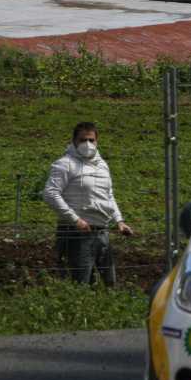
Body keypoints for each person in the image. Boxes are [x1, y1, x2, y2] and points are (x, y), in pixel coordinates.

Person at [43, 122, 134, 285]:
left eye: (91, 140)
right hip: (76, 232)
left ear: (97, 141)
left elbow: (108, 195)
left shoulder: (102, 165)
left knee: (109, 283)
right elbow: (50, 193)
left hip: (102, 231)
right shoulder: (65, 164)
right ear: (74, 141)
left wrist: (119, 221)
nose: (87, 144)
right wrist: (75, 220)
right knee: (80, 283)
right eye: (82, 140)